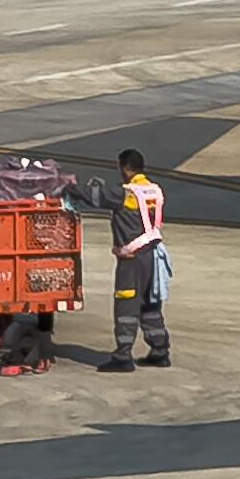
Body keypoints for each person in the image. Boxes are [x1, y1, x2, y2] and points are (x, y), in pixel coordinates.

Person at [105, 148, 169, 370]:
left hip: (132, 260)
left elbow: (96, 196)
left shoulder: (127, 193)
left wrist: (70, 187)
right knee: (150, 304)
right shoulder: (154, 190)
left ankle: (123, 356)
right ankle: (160, 350)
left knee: (127, 304)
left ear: (125, 167)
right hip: (153, 255)